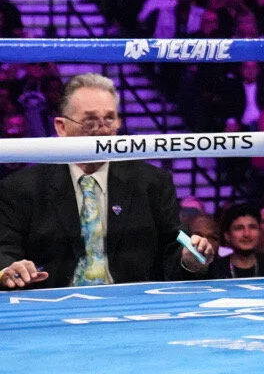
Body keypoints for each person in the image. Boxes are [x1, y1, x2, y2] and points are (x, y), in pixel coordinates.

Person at [0, 73, 214, 289]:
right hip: (52, 307)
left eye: (109, 119)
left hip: (132, 306)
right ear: (61, 127)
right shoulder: (22, 188)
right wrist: (8, 270)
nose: (101, 129)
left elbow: (173, 248)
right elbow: (5, 250)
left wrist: (189, 260)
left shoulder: (152, 182)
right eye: (90, 121)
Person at [209, 203, 264, 279]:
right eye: (239, 228)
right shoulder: (215, 269)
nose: (246, 234)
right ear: (227, 236)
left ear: (260, 232)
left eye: (252, 227)